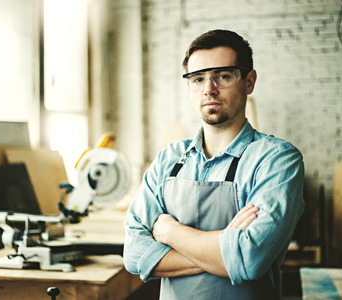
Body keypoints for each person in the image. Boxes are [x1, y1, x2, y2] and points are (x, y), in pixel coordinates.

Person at [123, 29, 304, 299]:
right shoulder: (168, 159)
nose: (209, 89)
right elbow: (135, 255)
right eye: (198, 79)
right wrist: (223, 251)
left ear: (249, 81)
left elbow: (249, 258)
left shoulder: (277, 160)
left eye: (223, 76)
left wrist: (170, 232)